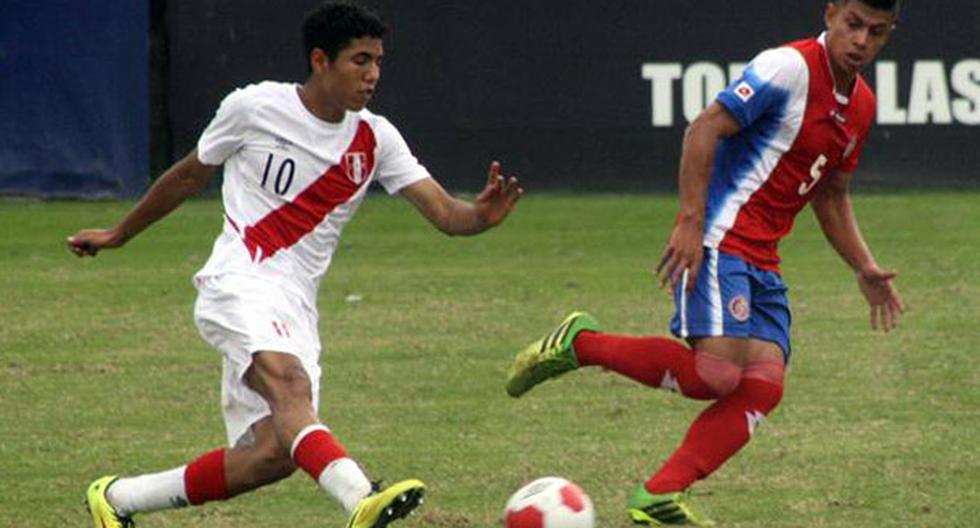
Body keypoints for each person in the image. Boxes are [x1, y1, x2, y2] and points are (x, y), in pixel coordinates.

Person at [70, 3, 522, 527]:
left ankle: (118, 499)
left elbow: (447, 214)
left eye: (377, 61)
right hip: (238, 280)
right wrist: (119, 234)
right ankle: (359, 496)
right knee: (290, 387)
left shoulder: (375, 139)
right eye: (359, 60)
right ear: (320, 60)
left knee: (273, 455)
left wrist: (481, 217)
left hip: (295, 304)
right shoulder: (253, 107)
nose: (372, 74)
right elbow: (189, 176)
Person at [505, 0, 905, 525]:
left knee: (764, 383)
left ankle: (659, 495)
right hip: (721, 235)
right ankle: (581, 344)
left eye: (876, 32)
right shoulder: (788, 68)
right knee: (717, 375)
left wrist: (864, 266)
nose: (861, 41)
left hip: (764, 255)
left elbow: (831, 194)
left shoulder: (861, 106)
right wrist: (690, 221)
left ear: (889, 34)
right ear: (830, 14)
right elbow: (704, 128)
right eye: (853, 24)